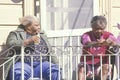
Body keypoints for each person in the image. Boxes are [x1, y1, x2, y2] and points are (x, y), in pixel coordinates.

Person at [5, 15, 61, 80]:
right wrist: (28, 41)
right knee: (18, 72)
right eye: (36, 25)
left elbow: (50, 51)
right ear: (28, 26)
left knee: (55, 70)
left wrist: (57, 64)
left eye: (39, 25)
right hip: (23, 64)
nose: (39, 27)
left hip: (42, 64)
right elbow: (10, 44)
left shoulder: (42, 34)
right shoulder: (16, 33)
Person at [78, 15, 118, 80]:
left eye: (101, 29)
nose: (99, 31)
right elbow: (86, 43)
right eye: (97, 28)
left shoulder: (108, 34)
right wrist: (99, 43)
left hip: (101, 64)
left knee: (106, 68)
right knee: (81, 68)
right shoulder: (86, 35)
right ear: (92, 27)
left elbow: (116, 42)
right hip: (87, 63)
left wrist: (112, 43)